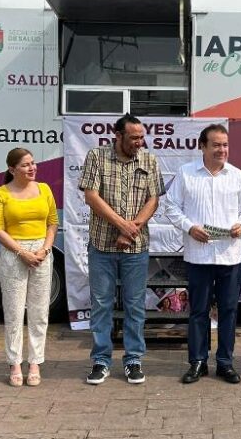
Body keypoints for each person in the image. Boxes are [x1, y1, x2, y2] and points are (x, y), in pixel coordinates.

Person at [163, 124, 241, 385]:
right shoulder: (186, 174)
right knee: (198, 312)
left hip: (231, 256)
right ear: (202, 146)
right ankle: (198, 362)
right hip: (199, 256)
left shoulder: (236, 175)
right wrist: (190, 227)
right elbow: (170, 207)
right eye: (215, 145)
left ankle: (225, 363)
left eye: (225, 145)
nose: (221, 150)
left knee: (229, 311)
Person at [79, 114, 164, 386]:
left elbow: (154, 199)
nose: (140, 142)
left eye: (142, 137)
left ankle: (133, 360)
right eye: (134, 138)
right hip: (102, 245)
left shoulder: (149, 160)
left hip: (136, 247)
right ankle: (101, 361)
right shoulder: (97, 156)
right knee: (102, 304)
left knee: (135, 305)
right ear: (118, 135)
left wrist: (132, 229)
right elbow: (91, 196)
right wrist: (121, 226)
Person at [0, 147, 58, 387]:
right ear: (12, 169)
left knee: (39, 311)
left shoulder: (45, 189)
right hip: (13, 253)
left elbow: (52, 223)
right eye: (26, 165)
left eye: (33, 163)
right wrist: (22, 252)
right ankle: (15, 362)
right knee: (14, 311)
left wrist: (45, 250)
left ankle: (35, 362)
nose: (32, 168)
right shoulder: (1, 193)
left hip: (41, 252)